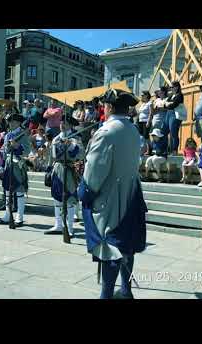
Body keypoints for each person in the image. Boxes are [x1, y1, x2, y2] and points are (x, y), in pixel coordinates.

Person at [78, 88, 146, 299]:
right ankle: (126, 290)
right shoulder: (133, 130)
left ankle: (105, 295)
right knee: (129, 243)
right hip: (132, 193)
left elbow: (95, 172)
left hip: (110, 198)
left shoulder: (106, 132)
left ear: (107, 107)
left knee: (109, 246)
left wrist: (85, 192)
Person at [44, 114, 83, 236]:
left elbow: (81, 154)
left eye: (65, 123)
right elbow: (52, 156)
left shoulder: (76, 138)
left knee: (70, 199)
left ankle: (69, 228)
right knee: (57, 198)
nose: (62, 125)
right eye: (61, 123)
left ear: (71, 125)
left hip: (70, 169)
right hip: (58, 168)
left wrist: (71, 146)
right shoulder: (56, 138)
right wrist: (49, 169)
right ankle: (58, 225)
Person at [0, 113, 29, 226]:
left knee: (19, 191)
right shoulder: (8, 135)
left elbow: (27, 151)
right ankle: (7, 215)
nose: (11, 123)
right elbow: (4, 152)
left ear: (19, 123)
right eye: (10, 121)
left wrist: (17, 147)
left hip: (18, 165)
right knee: (7, 191)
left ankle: (19, 217)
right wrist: (1, 164)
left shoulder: (23, 134)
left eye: (13, 121)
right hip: (8, 165)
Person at [163, 81, 186, 155]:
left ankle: (174, 150)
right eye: (170, 87)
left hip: (175, 115)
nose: (171, 89)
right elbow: (165, 103)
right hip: (168, 114)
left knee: (173, 133)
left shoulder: (180, 95)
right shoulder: (171, 96)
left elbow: (173, 105)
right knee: (164, 131)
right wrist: (167, 104)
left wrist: (167, 104)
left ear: (177, 87)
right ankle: (166, 149)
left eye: (172, 87)